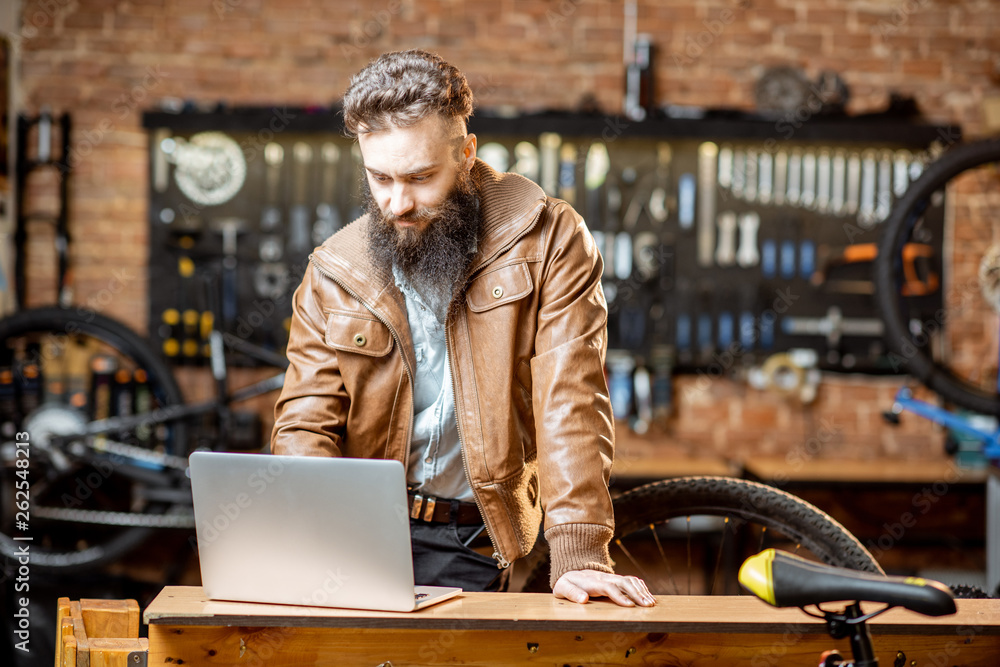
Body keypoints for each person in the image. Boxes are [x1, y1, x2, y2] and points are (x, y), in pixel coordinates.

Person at [271, 49, 654, 608]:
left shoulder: (548, 239)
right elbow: (304, 425)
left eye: (421, 177)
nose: (398, 203)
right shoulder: (335, 270)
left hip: (469, 534)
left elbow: (569, 398)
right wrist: (317, 532)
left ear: (466, 153)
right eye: (380, 178)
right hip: (354, 535)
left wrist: (577, 553)